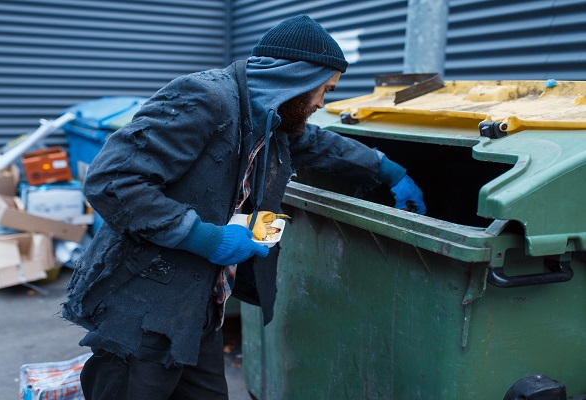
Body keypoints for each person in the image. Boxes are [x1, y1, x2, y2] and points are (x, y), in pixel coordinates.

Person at [62, 14, 426, 399]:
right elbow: (113, 181)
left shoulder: (268, 118)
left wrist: (388, 170)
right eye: (325, 89)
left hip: (199, 307)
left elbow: (319, 144)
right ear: (295, 78)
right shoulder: (204, 98)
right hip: (144, 309)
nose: (323, 102)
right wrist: (205, 238)